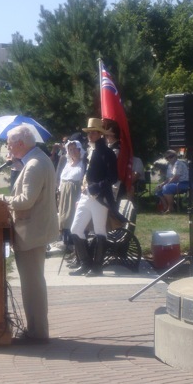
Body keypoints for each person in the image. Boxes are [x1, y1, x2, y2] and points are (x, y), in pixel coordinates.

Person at [0, 125, 57, 344]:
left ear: (20, 144)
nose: (8, 148)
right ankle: (37, 329)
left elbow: (25, 201)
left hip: (32, 233)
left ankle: (37, 332)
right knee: (33, 282)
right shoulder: (37, 160)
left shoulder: (34, 165)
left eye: (9, 144)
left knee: (32, 285)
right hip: (35, 230)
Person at [68, 118, 119, 277]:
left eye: (94, 132)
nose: (90, 135)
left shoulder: (108, 153)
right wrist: (84, 190)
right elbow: (87, 173)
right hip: (85, 196)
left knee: (99, 231)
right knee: (75, 229)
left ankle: (97, 267)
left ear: (100, 134)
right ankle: (85, 264)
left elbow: (113, 177)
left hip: (100, 197)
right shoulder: (89, 151)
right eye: (89, 132)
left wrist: (95, 187)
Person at [57, 140, 85, 252]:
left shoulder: (83, 164)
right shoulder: (67, 164)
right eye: (70, 149)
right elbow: (62, 179)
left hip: (75, 192)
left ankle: (73, 242)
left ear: (79, 149)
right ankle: (66, 241)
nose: (72, 151)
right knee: (63, 216)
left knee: (72, 216)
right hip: (64, 192)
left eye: (74, 149)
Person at [155, 149, 190, 214]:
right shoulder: (170, 165)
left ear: (175, 156)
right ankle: (165, 207)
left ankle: (170, 208)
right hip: (175, 183)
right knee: (158, 189)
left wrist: (165, 184)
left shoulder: (178, 163)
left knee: (167, 187)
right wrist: (162, 184)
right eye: (167, 158)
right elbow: (169, 178)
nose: (169, 159)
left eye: (170, 156)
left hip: (184, 183)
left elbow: (176, 177)